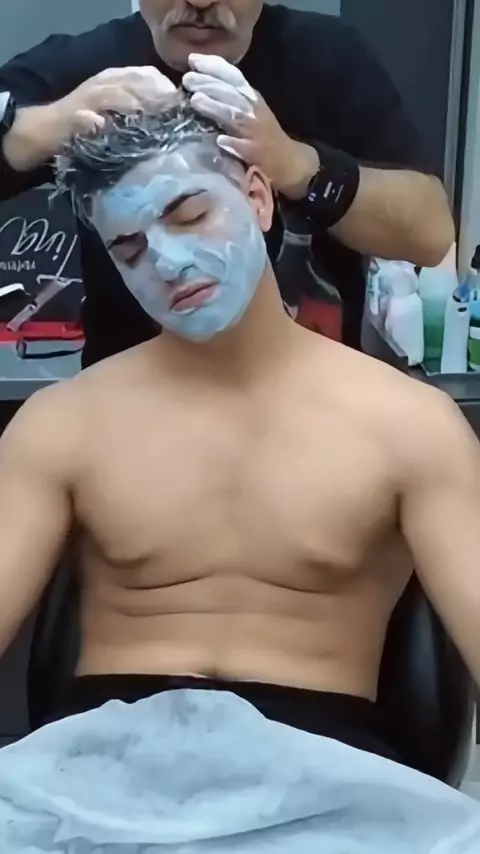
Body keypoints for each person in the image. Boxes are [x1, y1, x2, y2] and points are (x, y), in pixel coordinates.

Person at [0, 99, 479, 852]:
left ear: (257, 197)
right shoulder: (63, 423)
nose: (166, 262)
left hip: (326, 794)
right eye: (129, 248)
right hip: (87, 785)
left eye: (189, 215)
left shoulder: (410, 425)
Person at [0, 1, 454, 366]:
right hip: (132, 406)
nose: (200, 2)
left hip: (313, 400)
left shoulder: (326, 58)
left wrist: (298, 166)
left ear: (258, 196)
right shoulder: (82, 66)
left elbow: (430, 235)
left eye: (192, 215)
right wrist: (45, 127)